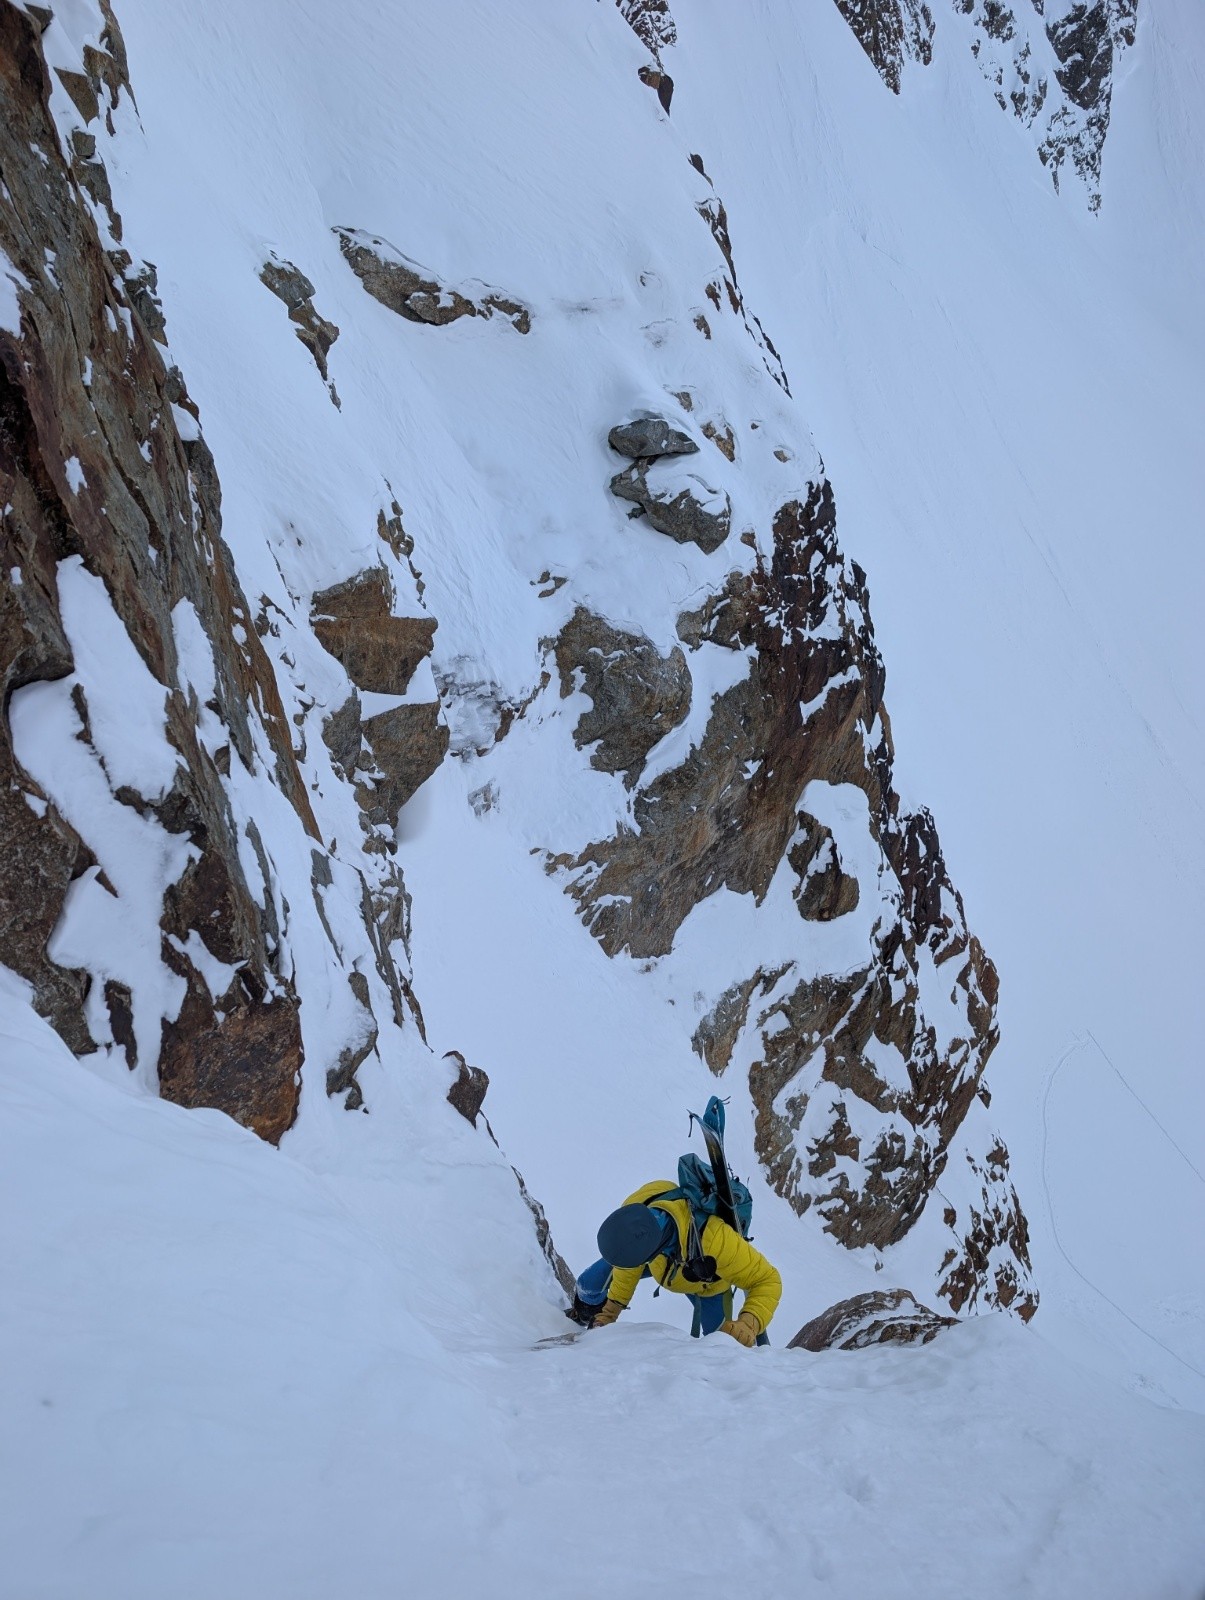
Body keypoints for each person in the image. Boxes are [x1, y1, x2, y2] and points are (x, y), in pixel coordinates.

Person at [569, 1179, 781, 1346]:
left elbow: (768, 1279)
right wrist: (608, 1313)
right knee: (588, 1284)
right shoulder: (636, 1210)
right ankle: (582, 1316)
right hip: (665, 1263)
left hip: (708, 1284)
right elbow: (627, 1269)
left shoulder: (715, 1239)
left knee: (723, 1343)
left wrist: (749, 1323)